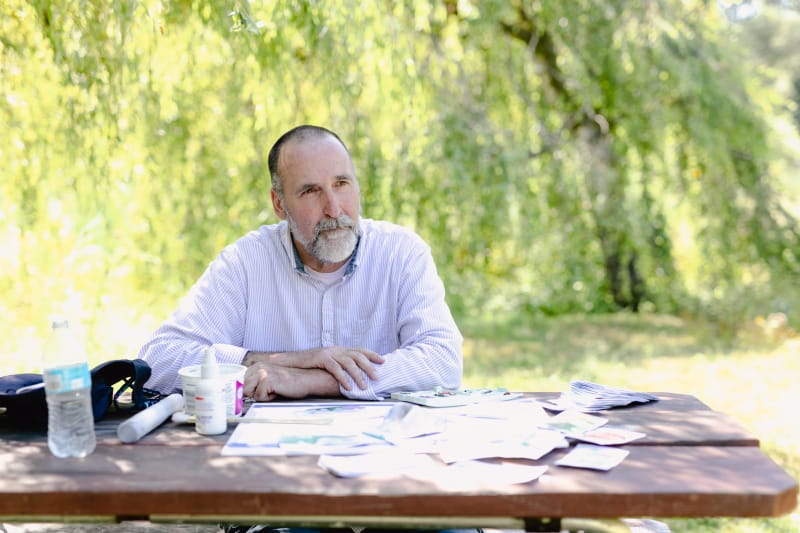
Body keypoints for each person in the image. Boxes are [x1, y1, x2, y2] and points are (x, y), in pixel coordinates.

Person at [138, 123, 463, 405]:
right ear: (279, 204)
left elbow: (443, 362)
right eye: (310, 191)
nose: (334, 209)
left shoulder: (401, 253)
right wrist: (287, 361)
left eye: (341, 184)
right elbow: (158, 361)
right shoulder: (245, 262)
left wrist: (313, 380)